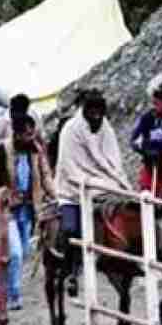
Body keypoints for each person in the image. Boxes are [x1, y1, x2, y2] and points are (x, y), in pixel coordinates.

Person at [54, 90, 132, 296]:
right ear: (85, 111)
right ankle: (71, 272)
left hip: (104, 184)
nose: (97, 115)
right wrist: (90, 184)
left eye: (100, 111)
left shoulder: (106, 128)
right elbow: (69, 166)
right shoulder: (70, 130)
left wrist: (113, 181)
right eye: (93, 111)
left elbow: (113, 159)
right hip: (73, 189)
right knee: (71, 229)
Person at [0, 115, 54, 310]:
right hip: (7, 209)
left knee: (22, 252)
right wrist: (2, 194)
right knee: (14, 253)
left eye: (32, 133)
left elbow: (45, 175)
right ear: (17, 133)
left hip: (28, 209)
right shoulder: (1, 151)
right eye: (26, 134)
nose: (31, 137)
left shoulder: (36, 151)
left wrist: (55, 195)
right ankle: (13, 295)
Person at [131, 83, 162, 195]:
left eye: (157, 104)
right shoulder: (148, 118)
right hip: (150, 167)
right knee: (146, 198)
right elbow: (134, 140)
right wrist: (145, 149)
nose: (154, 107)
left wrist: (161, 148)